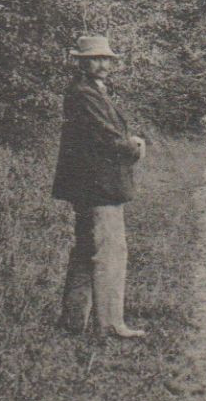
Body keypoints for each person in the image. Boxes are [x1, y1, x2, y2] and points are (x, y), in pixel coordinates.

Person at [52, 34, 148, 339]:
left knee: (86, 250)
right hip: (98, 185)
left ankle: (73, 320)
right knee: (110, 252)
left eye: (107, 58)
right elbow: (106, 136)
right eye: (96, 58)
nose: (104, 64)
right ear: (81, 62)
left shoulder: (87, 90)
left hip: (88, 183)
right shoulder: (84, 93)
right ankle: (110, 324)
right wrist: (134, 147)